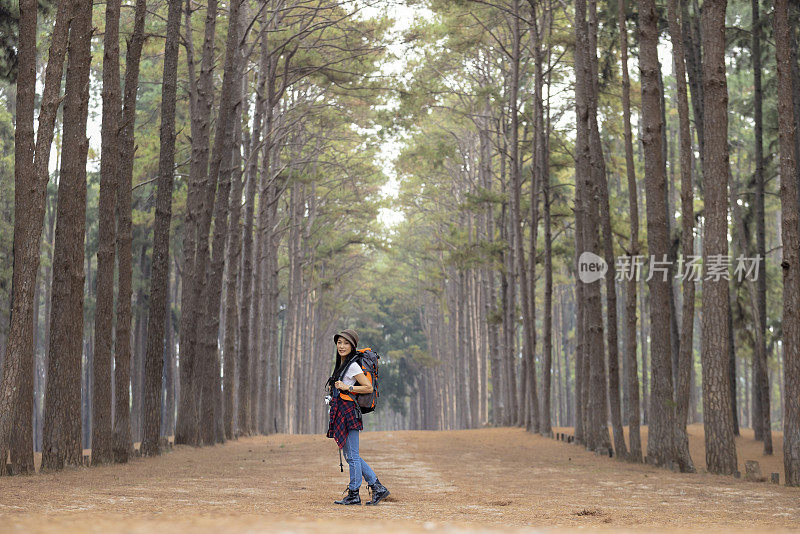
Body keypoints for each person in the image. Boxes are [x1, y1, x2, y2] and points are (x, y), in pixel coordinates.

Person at [326, 329, 390, 505]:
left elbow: (368, 387)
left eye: (346, 343)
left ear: (352, 345)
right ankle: (377, 487)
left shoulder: (353, 365)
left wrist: (348, 388)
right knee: (350, 455)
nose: (342, 346)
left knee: (352, 455)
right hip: (342, 412)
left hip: (349, 412)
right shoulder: (343, 364)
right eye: (339, 342)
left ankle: (354, 493)